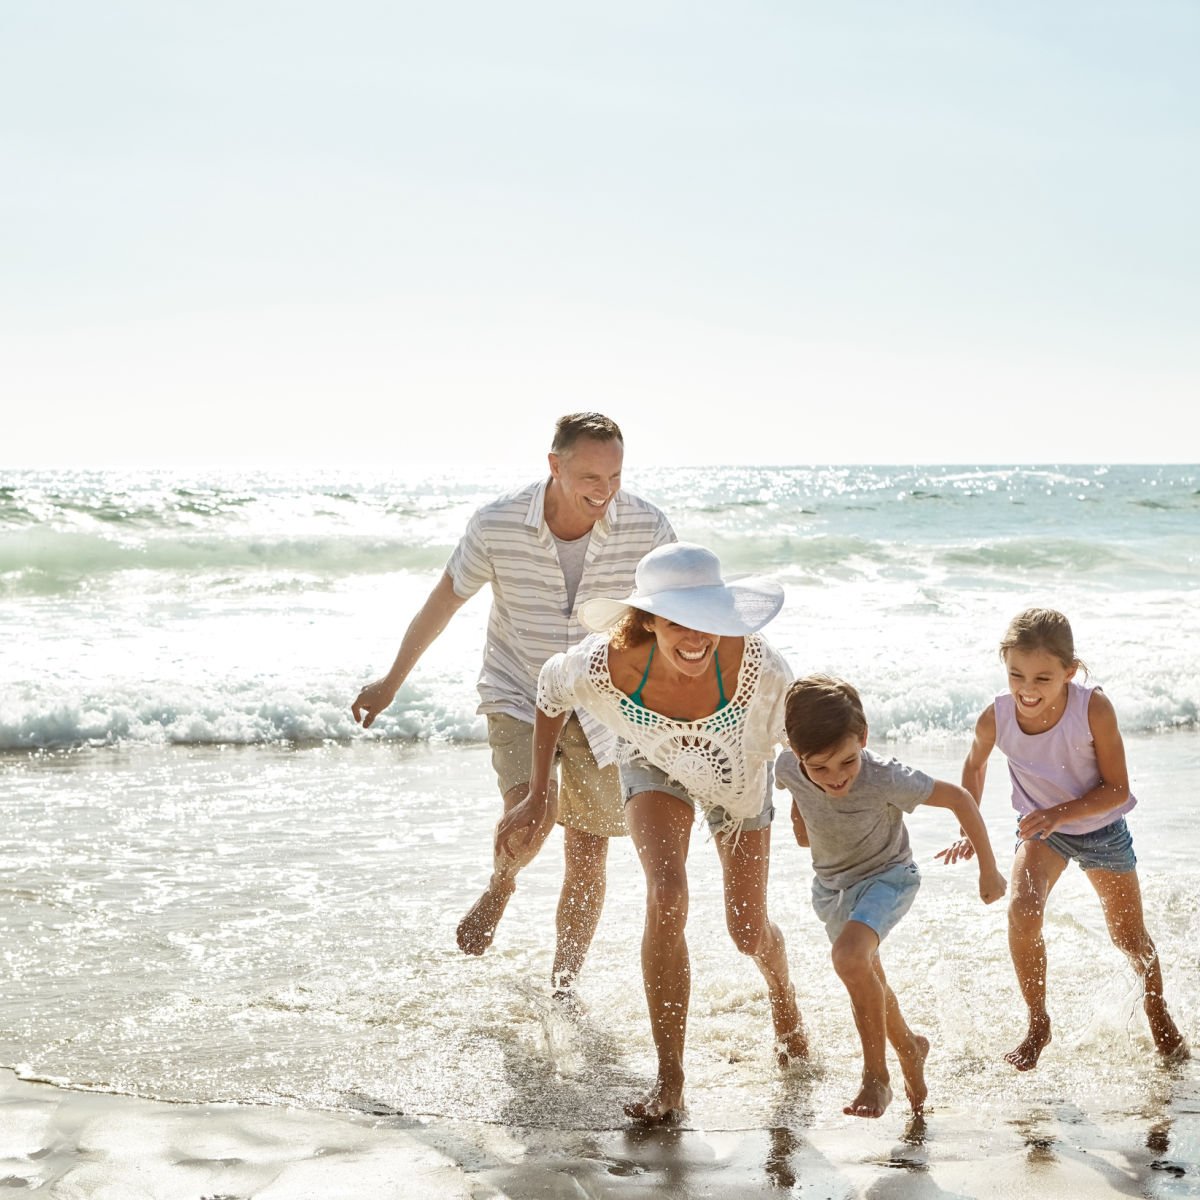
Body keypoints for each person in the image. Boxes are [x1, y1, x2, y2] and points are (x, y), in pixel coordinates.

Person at [351, 413, 674, 994]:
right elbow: (445, 600)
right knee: (533, 809)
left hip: (605, 703)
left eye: (615, 476)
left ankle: (563, 986)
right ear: (555, 465)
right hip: (519, 690)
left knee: (588, 850)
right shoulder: (498, 523)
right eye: (590, 477)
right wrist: (391, 681)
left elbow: (682, 615)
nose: (604, 491)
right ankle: (503, 882)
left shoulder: (647, 526)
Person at [497, 542, 808, 1123]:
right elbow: (548, 692)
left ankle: (784, 1001)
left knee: (746, 928)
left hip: (739, 772)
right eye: (675, 622)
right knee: (667, 896)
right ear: (647, 621)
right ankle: (670, 1080)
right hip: (653, 760)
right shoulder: (604, 665)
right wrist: (541, 794)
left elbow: (794, 735)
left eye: (706, 623)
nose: (695, 639)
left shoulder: (761, 666)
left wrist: (804, 804)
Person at [952, 607, 1188, 1071]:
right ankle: (1038, 1022)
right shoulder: (995, 718)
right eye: (1016, 674)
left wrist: (1059, 813)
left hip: (1099, 827)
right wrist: (967, 822)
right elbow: (975, 765)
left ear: (1069, 672)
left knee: (1128, 935)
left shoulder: (1092, 708)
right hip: (1042, 832)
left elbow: (1118, 789)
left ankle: (1156, 1009)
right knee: (1023, 909)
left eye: (1043, 677)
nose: (1027, 688)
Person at [777, 674, 1007, 1119]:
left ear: (862, 738)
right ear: (795, 750)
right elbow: (796, 786)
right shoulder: (788, 766)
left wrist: (988, 868)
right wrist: (800, 818)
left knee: (848, 959)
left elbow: (959, 797)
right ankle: (910, 1047)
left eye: (846, 762)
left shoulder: (885, 777)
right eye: (818, 768)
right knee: (867, 976)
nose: (835, 778)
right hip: (832, 890)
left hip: (888, 877)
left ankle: (875, 1079)